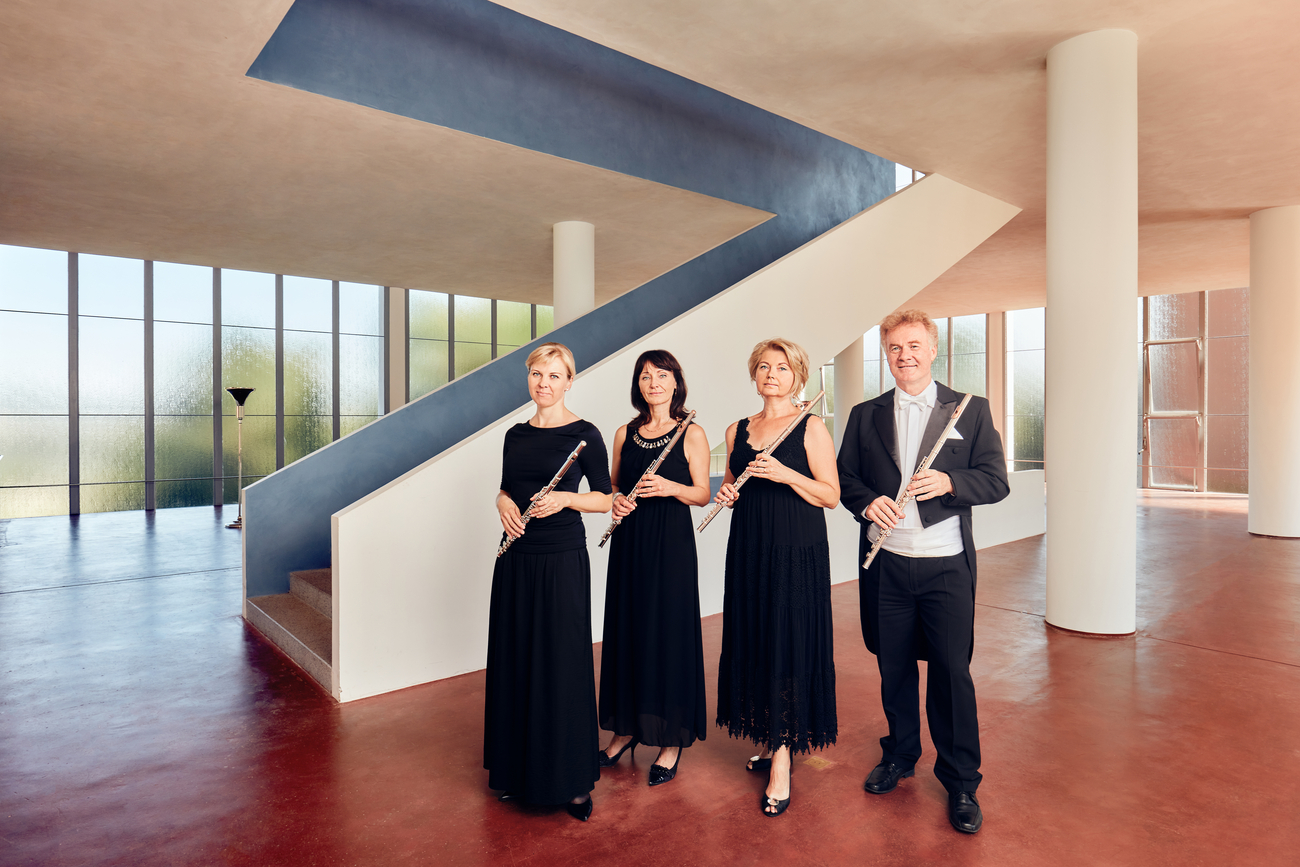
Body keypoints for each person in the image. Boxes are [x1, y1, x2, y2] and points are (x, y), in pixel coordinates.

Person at [837, 310, 1009, 835]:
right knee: (893, 667)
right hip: (887, 564)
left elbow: (995, 480)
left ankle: (961, 781)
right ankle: (900, 754)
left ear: (933, 350)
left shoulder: (970, 409)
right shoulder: (865, 414)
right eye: (894, 347)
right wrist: (866, 503)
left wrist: (951, 483)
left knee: (952, 673)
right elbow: (846, 478)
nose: (904, 355)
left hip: (946, 566)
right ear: (886, 354)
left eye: (914, 345)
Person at [484, 342, 612, 822]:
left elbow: (606, 497)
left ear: (569, 381)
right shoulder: (514, 434)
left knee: (561, 664)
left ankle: (571, 783)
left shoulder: (585, 434)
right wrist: (502, 503)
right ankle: (519, 773)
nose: (544, 383)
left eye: (555, 375)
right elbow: (506, 488)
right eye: (537, 374)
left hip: (561, 559)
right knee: (516, 660)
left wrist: (564, 500)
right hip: (516, 556)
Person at [712, 337, 840, 817]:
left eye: (782, 368)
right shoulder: (736, 429)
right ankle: (770, 735)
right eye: (764, 366)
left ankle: (783, 756)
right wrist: (727, 494)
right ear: (754, 374)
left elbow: (830, 495)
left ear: (798, 377)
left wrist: (786, 474)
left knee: (788, 640)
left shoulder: (811, 427)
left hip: (795, 550)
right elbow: (733, 484)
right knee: (759, 638)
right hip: (750, 548)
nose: (772, 374)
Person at [598, 350, 711, 786]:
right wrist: (616, 501)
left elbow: (702, 493)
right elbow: (612, 485)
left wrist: (668, 486)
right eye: (645, 376)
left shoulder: (692, 432)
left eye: (662, 375)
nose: (654, 383)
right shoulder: (624, 433)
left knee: (667, 634)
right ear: (638, 385)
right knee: (629, 630)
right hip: (630, 542)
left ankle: (670, 739)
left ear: (675, 382)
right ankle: (626, 729)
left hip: (670, 546)